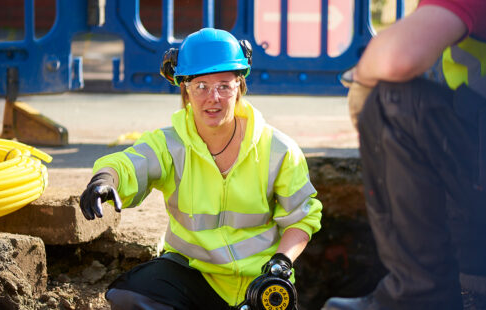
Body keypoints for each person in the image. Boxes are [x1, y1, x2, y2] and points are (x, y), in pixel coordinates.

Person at [78, 28, 322, 310]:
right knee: (129, 295)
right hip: (192, 274)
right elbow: (130, 163)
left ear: (239, 85)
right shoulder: (170, 144)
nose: (212, 97)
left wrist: (281, 263)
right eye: (201, 86)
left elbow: (301, 218)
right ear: (185, 88)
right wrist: (105, 179)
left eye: (223, 85)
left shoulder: (279, 149)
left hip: (260, 282)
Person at [323, 0, 486, 309]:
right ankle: (482, 279)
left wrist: (361, 80)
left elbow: (398, 58)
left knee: (394, 103)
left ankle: (417, 297)